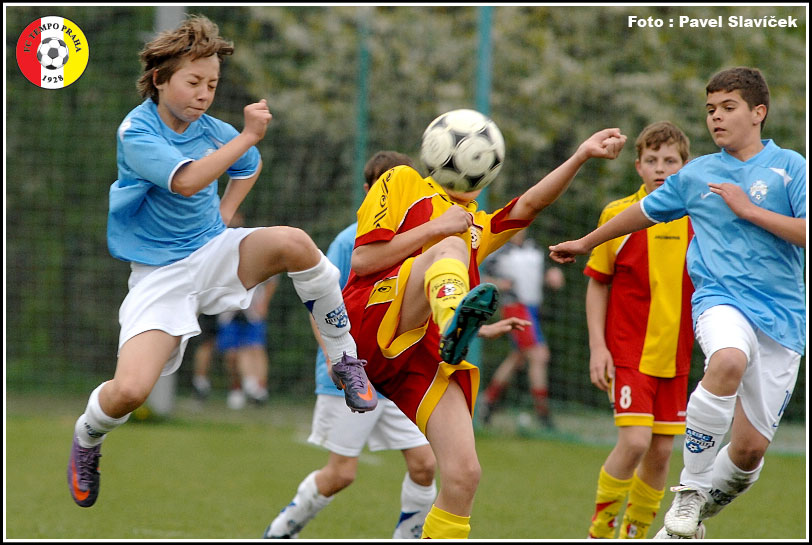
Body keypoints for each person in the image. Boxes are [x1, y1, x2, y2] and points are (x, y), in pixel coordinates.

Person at [67, 14, 374, 509]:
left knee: (296, 244)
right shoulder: (136, 130)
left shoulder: (215, 130)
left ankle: (344, 359)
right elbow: (188, 180)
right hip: (161, 275)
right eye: (193, 82)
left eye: (212, 84)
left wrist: (225, 214)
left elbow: (248, 166)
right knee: (129, 392)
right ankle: (87, 435)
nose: (204, 94)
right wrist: (246, 137)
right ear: (159, 78)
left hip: (213, 251)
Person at [549, 67, 805, 539]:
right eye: (710, 109)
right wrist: (587, 242)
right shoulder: (699, 174)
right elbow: (642, 212)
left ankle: (685, 523)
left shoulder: (790, 167)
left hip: (783, 321)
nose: (716, 117)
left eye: (728, 107)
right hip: (720, 302)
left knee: (749, 453)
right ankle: (689, 490)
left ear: (758, 112)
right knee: (727, 359)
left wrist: (748, 210)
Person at [342, 126, 626, 538]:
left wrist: (581, 155)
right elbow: (364, 260)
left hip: (420, 354)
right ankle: (454, 318)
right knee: (450, 247)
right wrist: (438, 229)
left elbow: (531, 203)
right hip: (373, 319)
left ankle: (453, 324)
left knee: (464, 474)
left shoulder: (477, 225)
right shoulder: (402, 180)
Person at [264, 150, 531, 539]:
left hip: (406, 360)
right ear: (368, 190)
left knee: (426, 465)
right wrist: (335, 358)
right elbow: (323, 302)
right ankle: (283, 528)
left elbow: (423, 297)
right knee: (341, 473)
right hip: (355, 366)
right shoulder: (351, 239)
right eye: (378, 184)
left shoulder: (434, 223)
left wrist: (481, 329)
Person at [580, 121, 694, 539]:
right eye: (652, 160)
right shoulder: (618, 216)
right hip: (629, 352)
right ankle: (600, 532)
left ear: (685, 166)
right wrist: (598, 347)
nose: (661, 168)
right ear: (638, 166)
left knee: (661, 453)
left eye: (670, 161)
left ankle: (635, 534)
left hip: (676, 355)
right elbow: (598, 283)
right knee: (634, 443)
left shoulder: (698, 219)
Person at [478, 228, 566, 430]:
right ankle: (543, 414)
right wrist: (498, 283)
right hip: (514, 307)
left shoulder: (534, 248)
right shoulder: (498, 251)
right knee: (539, 356)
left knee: (518, 358)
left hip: (533, 309)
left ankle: (488, 401)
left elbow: (541, 273)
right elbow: (479, 276)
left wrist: (552, 275)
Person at [216, 212, 278, 409]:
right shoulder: (216, 247)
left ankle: (258, 388)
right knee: (232, 353)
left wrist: (264, 303)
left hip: (252, 308)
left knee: (255, 347)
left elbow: (272, 279)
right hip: (228, 309)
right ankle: (238, 387)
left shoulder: (253, 246)